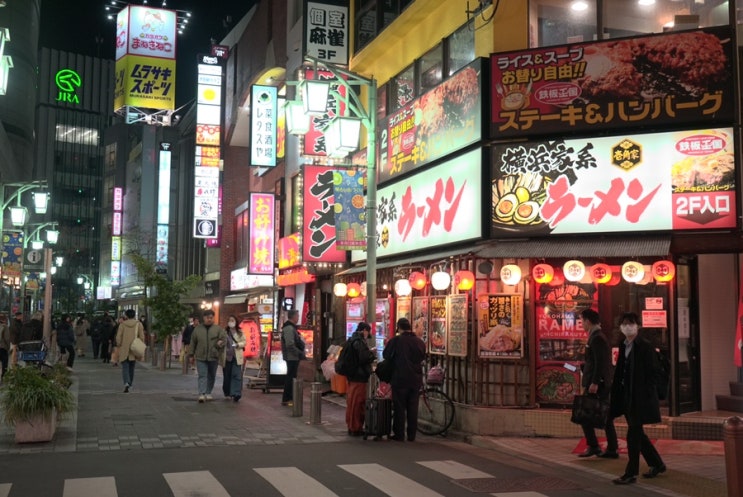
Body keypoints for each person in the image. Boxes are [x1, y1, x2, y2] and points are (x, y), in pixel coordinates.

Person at [610, 312, 666, 485]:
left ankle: (631, 473)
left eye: (631, 323)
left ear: (638, 326)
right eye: (624, 324)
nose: (628, 327)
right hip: (627, 396)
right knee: (637, 433)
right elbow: (621, 371)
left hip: (640, 397)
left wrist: (647, 392)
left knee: (633, 434)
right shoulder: (623, 345)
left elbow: (654, 372)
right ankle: (657, 464)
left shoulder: (645, 346)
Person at [576, 308, 618, 459]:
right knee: (600, 416)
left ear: (588, 321)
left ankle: (598, 447)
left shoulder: (597, 338)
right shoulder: (595, 336)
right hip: (597, 383)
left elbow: (600, 363)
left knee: (588, 415)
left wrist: (594, 382)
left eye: (582, 321)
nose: (581, 324)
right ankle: (605, 447)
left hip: (597, 385)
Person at [383, 317, 426, 442]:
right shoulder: (419, 342)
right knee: (413, 407)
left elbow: (386, 355)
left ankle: (399, 434)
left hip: (400, 378)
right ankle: (411, 435)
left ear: (399, 328)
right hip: (415, 379)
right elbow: (422, 357)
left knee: (399, 407)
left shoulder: (396, 341)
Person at [344, 322, 376, 436]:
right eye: (368, 332)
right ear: (364, 330)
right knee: (357, 403)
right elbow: (363, 357)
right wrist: (372, 353)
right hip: (359, 376)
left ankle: (351, 425)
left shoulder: (352, 340)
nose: (367, 335)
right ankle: (355, 427)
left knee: (352, 402)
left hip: (352, 376)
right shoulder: (359, 341)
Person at [189, 309, 227, 402]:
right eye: (207, 317)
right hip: (200, 356)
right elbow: (193, 342)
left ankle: (208, 392)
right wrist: (191, 354)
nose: (209, 319)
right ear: (203, 318)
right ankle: (202, 393)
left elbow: (224, 339)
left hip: (213, 356)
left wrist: (220, 343)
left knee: (211, 375)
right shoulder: (198, 329)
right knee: (202, 375)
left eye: (211, 317)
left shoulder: (218, 329)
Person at [115, 309, 146, 393]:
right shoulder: (139, 324)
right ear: (134, 315)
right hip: (134, 348)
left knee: (125, 367)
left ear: (126, 316)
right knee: (132, 367)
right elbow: (142, 337)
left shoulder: (122, 325)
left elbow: (118, 337)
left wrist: (119, 344)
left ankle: (126, 382)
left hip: (124, 348)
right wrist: (140, 344)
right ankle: (130, 383)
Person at [280, 309, 304, 407]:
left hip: (292, 356)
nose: (298, 318)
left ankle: (289, 398)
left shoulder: (290, 327)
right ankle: (287, 398)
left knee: (292, 377)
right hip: (291, 356)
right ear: (293, 317)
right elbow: (290, 344)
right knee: (290, 377)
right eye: (297, 316)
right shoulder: (289, 328)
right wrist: (299, 353)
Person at [222, 315, 246, 402]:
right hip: (227, 357)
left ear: (236, 322)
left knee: (236, 375)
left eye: (232, 320)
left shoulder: (240, 332)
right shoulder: (224, 332)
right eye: (229, 320)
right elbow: (220, 341)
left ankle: (236, 393)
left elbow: (244, 342)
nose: (231, 322)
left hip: (237, 357)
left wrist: (238, 344)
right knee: (227, 375)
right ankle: (227, 392)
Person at [0, 313, 9, 381]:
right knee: (4, 363)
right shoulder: (5, 327)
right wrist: (8, 347)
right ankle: (3, 377)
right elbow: (7, 338)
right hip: (2, 348)